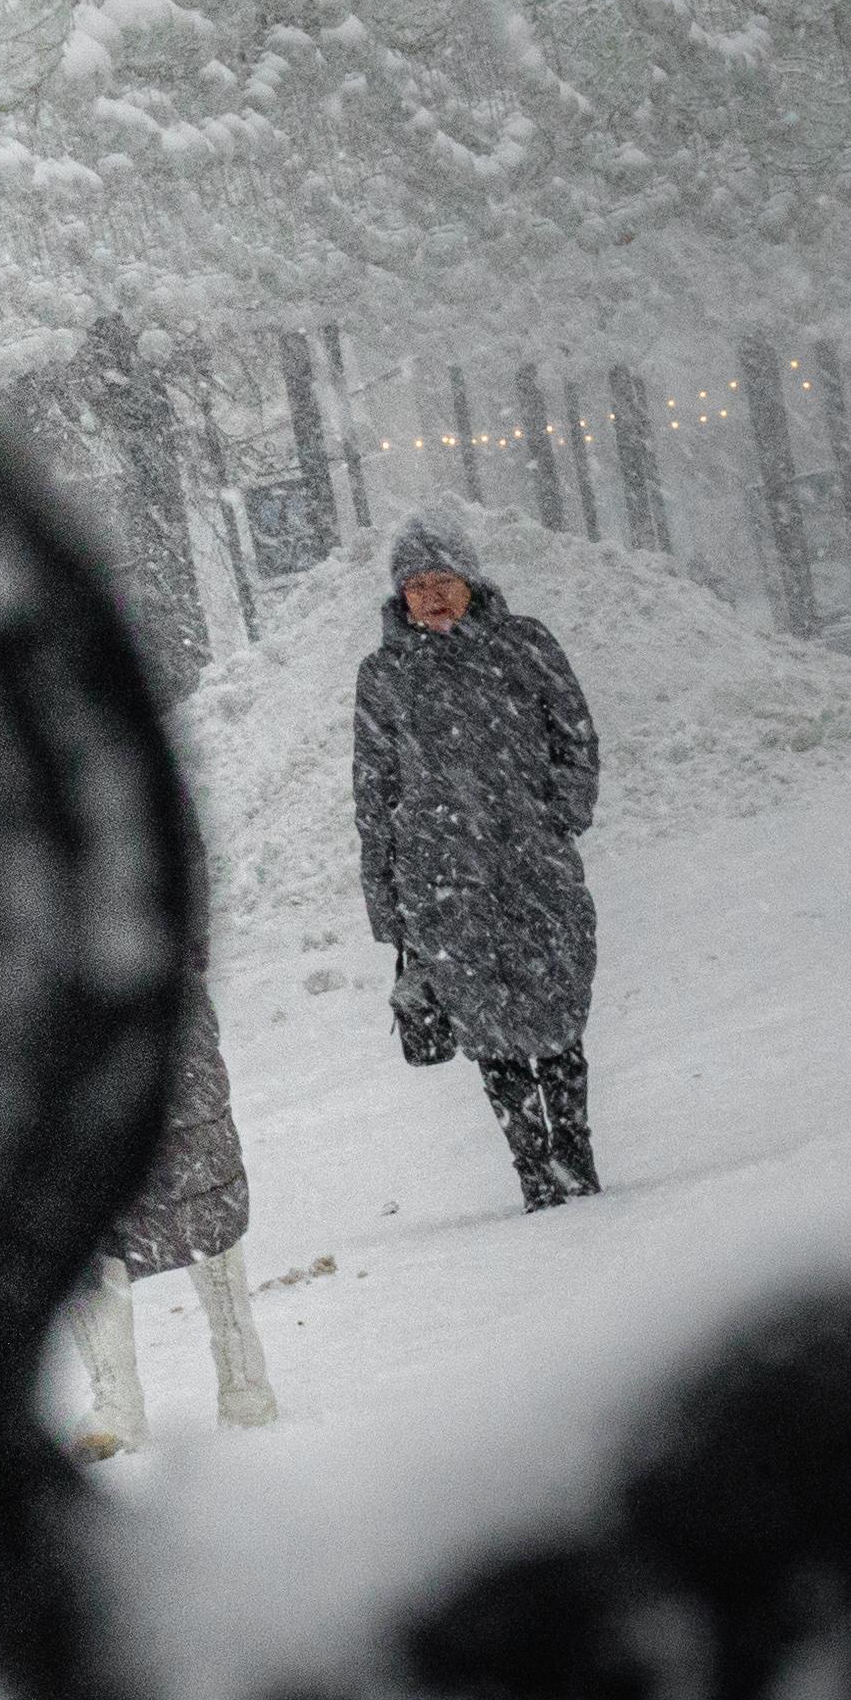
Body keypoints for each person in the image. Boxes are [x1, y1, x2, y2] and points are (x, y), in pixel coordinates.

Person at [0, 661, 277, 1458]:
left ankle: (244, 1375)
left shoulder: (102, 704)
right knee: (78, 1201)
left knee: (199, 1176)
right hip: (32, 1011)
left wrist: (176, 957)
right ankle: (117, 1403)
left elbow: (177, 843)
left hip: (137, 981)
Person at [354, 519, 604, 1212]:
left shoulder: (525, 647)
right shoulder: (384, 677)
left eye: (442, 582)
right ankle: (534, 1172)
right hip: (442, 886)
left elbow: (575, 738)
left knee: (556, 1011)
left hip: (534, 868)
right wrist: (388, 903)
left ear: (471, 584)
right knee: (488, 1030)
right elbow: (373, 791)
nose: (430, 597)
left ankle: (576, 1158)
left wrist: (557, 816)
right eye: (415, 587)